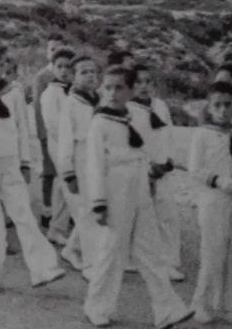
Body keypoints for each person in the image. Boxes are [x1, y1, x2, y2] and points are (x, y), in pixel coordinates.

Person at [82, 66, 193, 329]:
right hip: (114, 187)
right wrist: (99, 203)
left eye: (119, 87)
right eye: (107, 87)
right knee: (111, 250)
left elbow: (145, 148)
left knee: (150, 248)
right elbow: (95, 165)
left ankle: (166, 308)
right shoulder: (100, 122)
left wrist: (153, 172)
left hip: (139, 184)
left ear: (130, 90)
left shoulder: (135, 115)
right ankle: (96, 306)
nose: (112, 93)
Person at [0, 43, 65, 292]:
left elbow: (22, 130)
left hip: (10, 162)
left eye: (1, 65)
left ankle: (43, 268)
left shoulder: (14, 92)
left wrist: (25, 163)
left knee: (24, 214)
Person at [188, 81, 232, 327]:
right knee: (213, 250)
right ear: (209, 105)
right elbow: (194, 170)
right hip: (213, 198)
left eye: (228, 104)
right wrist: (217, 181)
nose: (223, 110)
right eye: (218, 104)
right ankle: (204, 304)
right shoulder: (202, 134)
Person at [129, 63, 183, 282]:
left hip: (164, 169)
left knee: (168, 216)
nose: (144, 86)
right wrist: (148, 168)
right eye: (138, 82)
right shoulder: (128, 109)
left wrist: (168, 160)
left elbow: (168, 134)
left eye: (148, 81)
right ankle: (139, 259)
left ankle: (170, 261)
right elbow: (132, 143)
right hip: (143, 170)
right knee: (141, 218)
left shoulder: (160, 105)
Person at [56, 55, 101, 279]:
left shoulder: (100, 101)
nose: (90, 75)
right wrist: (68, 173)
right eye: (84, 72)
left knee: (93, 209)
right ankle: (91, 264)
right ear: (74, 77)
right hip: (79, 161)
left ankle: (71, 249)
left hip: (99, 161)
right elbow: (65, 142)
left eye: (93, 71)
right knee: (85, 211)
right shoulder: (71, 103)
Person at [39, 47, 75, 247]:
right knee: (65, 183)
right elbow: (53, 125)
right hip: (59, 144)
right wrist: (68, 144)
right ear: (53, 68)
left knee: (63, 186)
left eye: (68, 67)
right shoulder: (51, 93)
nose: (63, 70)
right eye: (59, 66)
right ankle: (58, 228)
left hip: (70, 144)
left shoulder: (70, 91)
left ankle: (57, 227)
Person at [32, 33, 66, 229]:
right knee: (49, 171)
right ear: (47, 52)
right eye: (52, 49)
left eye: (59, 49)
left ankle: (64, 209)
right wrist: (42, 133)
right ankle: (46, 209)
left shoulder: (68, 73)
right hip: (48, 131)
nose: (55, 52)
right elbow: (37, 107)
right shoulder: (42, 77)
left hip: (65, 133)